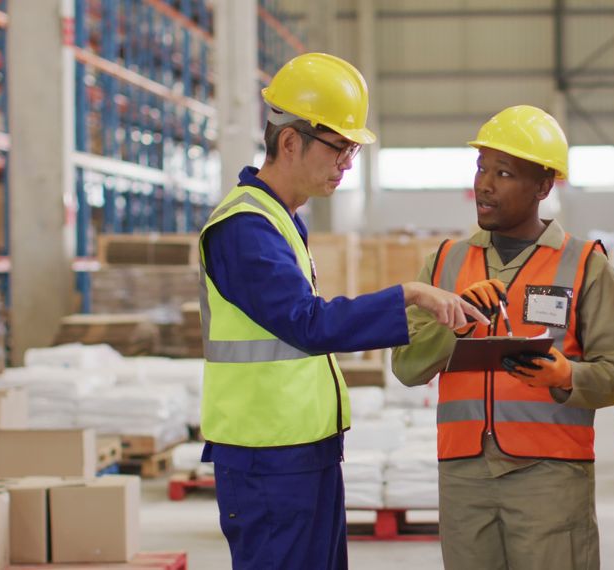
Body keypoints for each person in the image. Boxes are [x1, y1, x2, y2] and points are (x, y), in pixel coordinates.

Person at [198, 53, 486, 570]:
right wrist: (409, 295)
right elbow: (307, 323)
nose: (348, 162)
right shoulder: (244, 228)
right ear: (289, 142)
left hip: (301, 448)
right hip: (268, 456)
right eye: (341, 147)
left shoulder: (280, 220)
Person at [391, 105, 614, 569]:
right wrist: (455, 321)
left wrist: (567, 376)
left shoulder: (586, 265)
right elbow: (406, 368)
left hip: (551, 475)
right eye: (482, 168)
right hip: (464, 474)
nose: (485, 184)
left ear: (543, 186)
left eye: (503, 173)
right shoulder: (444, 264)